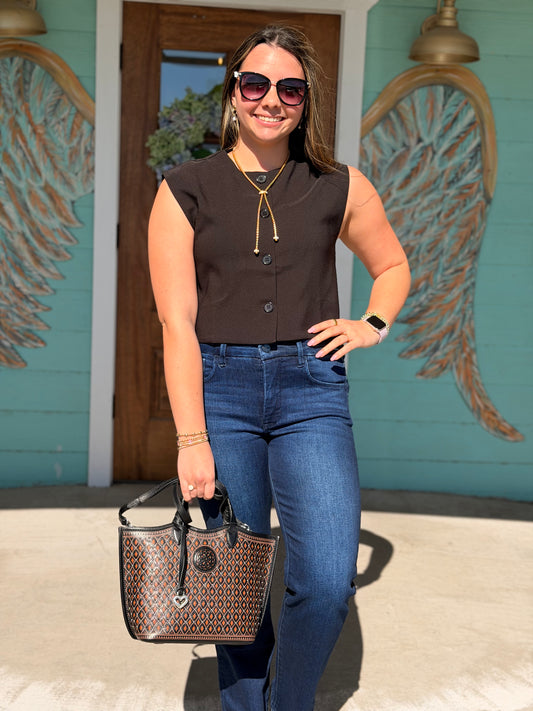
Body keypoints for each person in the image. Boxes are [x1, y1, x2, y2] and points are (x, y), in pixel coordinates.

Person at [148, 24, 410, 711]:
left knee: (324, 581)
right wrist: (191, 438)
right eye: (256, 83)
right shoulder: (184, 189)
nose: (271, 99)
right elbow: (177, 323)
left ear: (306, 99)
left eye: (290, 88)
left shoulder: (337, 185)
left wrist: (371, 324)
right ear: (233, 92)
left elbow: (391, 264)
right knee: (236, 580)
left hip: (310, 390)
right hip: (222, 391)